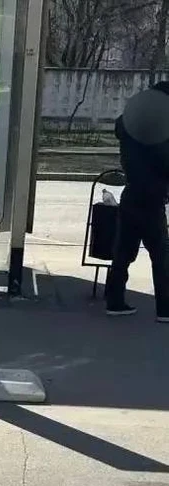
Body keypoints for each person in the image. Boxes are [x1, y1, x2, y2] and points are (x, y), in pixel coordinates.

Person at [104, 81, 169, 322]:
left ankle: (115, 301)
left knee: (123, 252)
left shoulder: (130, 123)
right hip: (152, 197)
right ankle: (165, 308)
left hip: (131, 193)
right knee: (161, 255)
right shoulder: (157, 130)